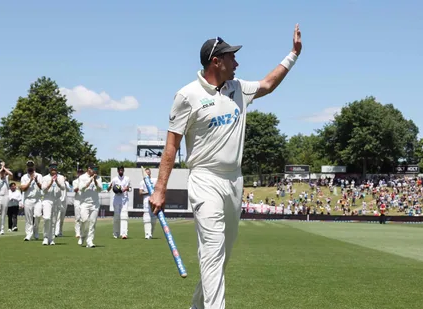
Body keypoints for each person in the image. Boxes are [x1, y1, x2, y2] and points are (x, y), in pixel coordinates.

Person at [149, 24, 302, 309]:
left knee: (222, 256)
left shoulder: (238, 88)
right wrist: (160, 189)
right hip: (205, 179)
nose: (237, 62)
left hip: (234, 181)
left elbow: (268, 84)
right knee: (212, 250)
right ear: (215, 61)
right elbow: (171, 146)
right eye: (231, 57)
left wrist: (293, 55)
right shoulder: (187, 96)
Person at [41, 161, 66, 246]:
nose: (53, 168)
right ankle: (45, 237)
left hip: (56, 200)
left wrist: (57, 182)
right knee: (47, 218)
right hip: (47, 199)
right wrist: (51, 182)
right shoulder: (45, 178)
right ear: (49, 168)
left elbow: (63, 187)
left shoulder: (61, 177)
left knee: (54, 220)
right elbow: (43, 189)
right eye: (52, 167)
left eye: (55, 167)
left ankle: (51, 238)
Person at [78, 163, 102, 247]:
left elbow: (100, 189)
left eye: (96, 169)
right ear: (88, 169)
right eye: (93, 169)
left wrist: (95, 181)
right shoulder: (82, 177)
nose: (95, 170)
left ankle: (90, 241)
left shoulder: (98, 178)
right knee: (84, 220)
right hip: (84, 203)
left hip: (94, 204)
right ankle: (82, 235)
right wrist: (90, 180)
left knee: (92, 222)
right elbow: (81, 188)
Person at [20, 160, 43, 241]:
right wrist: (30, 181)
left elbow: (42, 187)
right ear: (27, 167)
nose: (30, 167)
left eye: (31, 166)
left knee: (38, 215)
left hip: (37, 199)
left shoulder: (39, 176)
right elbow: (23, 189)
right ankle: (28, 234)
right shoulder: (24, 177)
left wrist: (36, 181)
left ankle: (36, 230)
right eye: (29, 166)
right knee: (28, 218)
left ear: (34, 166)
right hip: (28, 199)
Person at [107, 166, 131, 239]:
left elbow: (130, 188)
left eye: (122, 170)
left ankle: (124, 234)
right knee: (117, 217)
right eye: (119, 170)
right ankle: (116, 233)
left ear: (123, 170)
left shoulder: (127, 179)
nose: (121, 171)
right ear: (117, 171)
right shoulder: (114, 179)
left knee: (124, 216)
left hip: (124, 199)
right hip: (116, 199)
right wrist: (111, 186)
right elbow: (108, 189)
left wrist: (126, 188)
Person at [0, 161, 13, 235]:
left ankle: (2, 228)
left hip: (5, 197)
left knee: (4, 214)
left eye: (4, 172)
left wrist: (4, 168)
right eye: (2, 172)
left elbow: (11, 174)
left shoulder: (7, 178)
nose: (3, 173)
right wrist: (1, 168)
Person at [139, 167, 157, 239]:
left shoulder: (154, 180)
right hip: (146, 200)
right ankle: (147, 234)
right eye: (146, 172)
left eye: (148, 172)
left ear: (150, 173)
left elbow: (158, 188)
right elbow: (140, 192)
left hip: (154, 200)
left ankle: (151, 233)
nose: (147, 173)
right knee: (146, 216)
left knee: (153, 218)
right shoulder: (142, 182)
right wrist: (148, 192)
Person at [72, 169, 84, 238]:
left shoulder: (85, 181)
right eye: (79, 172)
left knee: (83, 217)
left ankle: (82, 231)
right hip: (77, 201)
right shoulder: (75, 181)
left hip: (84, 201)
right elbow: (75, 190)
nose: (80, 174)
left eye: (81, 172)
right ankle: (77, 232)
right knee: (77, 218)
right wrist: (80, 184)